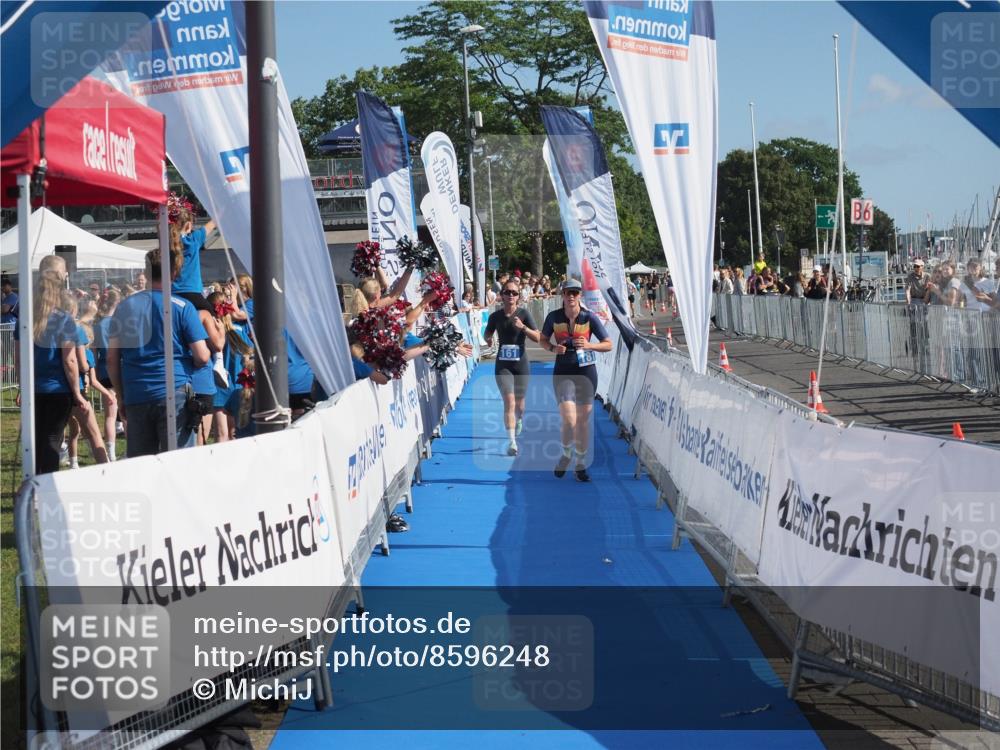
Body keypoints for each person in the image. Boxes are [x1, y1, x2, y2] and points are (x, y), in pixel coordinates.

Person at [107, 248, 210, 456]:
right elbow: (202, 355)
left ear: (146, 271)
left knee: (141, 464)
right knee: (180, 462)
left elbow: (112, 359)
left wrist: (121, 395)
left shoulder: (124, 307)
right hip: (175, 391)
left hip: (137, 392)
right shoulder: (183, 307)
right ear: (174, 273)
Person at [14, 257, 87, 474]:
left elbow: (19, 359)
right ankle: (46, 490)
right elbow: (69, 360)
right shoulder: (64, 320)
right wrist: (77, 393)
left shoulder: (24, 318)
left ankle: (35, 488)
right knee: (52, 442)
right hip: (58, 390)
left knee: (36, 442)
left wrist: (22, 387)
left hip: (34, 390)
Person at [539, 278, 613, 482]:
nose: (571, 296)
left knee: (582, 422)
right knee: (569, 419)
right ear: (562, 295)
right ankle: (566, 453)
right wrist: (554, 348)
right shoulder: (553, 317)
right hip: (563, 371)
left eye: (575, 293)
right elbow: (543, 339)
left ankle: (580, 464)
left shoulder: (589, 317)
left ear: (580, 295)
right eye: (567, 293)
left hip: (586, 372)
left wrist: (590, 346)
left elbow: (608, 344)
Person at [484, 279, 541, 456]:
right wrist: (488, 338)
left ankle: (520, 420)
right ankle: (512, 443)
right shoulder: (495, 316)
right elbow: (487, 332)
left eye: (514, 293)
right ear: (501, 296)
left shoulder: (524, 314)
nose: (510, 295)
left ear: (518, 297)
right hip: (503, 365)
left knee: (520, 405)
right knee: (509, 401)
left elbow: (537, 338)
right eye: (507, 292)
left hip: (521, 364)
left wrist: (523, 327)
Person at [93, 289, 122, 458]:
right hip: (119, 368)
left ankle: (111, 453)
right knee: (125, 412)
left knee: (110, 415)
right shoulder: (118, 324)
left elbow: (95, 352)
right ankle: (128, 451)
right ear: (117, 304)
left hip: (103, 371)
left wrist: (94, 372)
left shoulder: (97, 325)